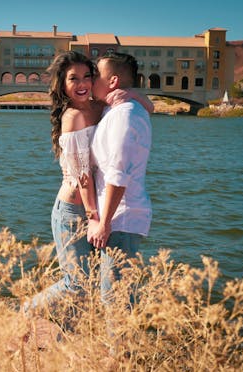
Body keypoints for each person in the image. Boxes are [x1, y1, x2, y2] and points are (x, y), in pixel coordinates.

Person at [23, 51, 153, 321]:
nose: (82, 84)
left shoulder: (100, 106)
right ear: (62, 84)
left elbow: (148, 106)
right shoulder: (73, 117)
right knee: (77, 284)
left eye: (87, 76)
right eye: (73, 79)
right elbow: (83, 178)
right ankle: (27, 311)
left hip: (93, 210)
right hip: (72, 212)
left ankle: (67, 337)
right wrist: (95, 218)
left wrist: (133, 96)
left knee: (90, 284)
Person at [88, 52, 153, 305]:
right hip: (117, 219)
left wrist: (104, 223)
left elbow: (118, 174)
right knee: (115, 298)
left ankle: (122, 346)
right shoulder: (117, 109)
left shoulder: (124, 115)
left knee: (116, 303)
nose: (92, 80)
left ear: (112, 80)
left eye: (96, 75)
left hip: (119, 221)